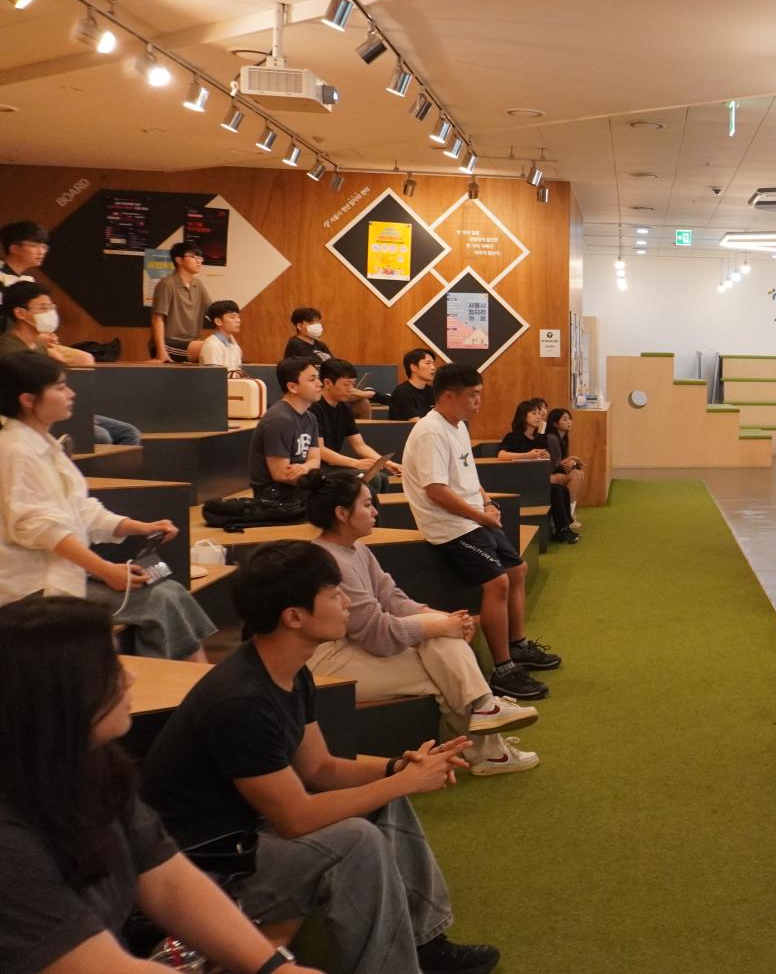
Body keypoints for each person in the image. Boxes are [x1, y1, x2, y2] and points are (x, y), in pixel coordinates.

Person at [140, 541, 502, 974]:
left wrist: (397, 768)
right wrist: (401, 781)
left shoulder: (291, 672)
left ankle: (426, 943)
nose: (346, 603)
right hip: (207, 870)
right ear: (294, 616)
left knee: (383, 797)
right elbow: (296, 818)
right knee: (357, 839)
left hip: (247, 835)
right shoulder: (241, 700)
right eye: (333, 594)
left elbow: (320, 769)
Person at [0, 595, 327, 974]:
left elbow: (167, 879)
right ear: (57, 692)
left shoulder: (92, 769)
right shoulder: (9, 840)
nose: (129, 677)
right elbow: (101, 967)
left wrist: (272, 967)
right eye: (109, 666)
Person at [307, 472, 543, 770]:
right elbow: (377, 634)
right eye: (367, 505)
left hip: (359, 646)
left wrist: (441, 617)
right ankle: (487, 744)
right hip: (332, 661)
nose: (375, 511)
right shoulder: (331, 561)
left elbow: (392, 598)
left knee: (447, 652)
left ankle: (486, 715)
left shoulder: (356, 549)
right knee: (450, 674)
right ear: (341, 514)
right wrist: (440, 625)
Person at [0, 351, 214, 661]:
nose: (71, 393)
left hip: (61, 574)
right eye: (60, 387)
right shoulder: (16, 451)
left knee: (169, 591)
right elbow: (44, 530)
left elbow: (82, 510)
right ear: (28, 399)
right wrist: (106, 570)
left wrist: (138, 527)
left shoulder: (43, 444)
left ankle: (192, 680)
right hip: (32, 590)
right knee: (159, 600)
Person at [403, 363, 559, 701]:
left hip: (473, 517)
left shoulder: (458, 425)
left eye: (479, 395)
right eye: (473, 395)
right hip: (447, 525)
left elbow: (468, 475)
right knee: (498, 582)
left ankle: (517, 645)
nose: (479, 402)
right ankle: (502, 670)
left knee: (517, 569)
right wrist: (481, 516)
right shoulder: (430, 431)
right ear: (448, 396)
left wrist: (487, 503)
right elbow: (436, 490)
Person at [0, 227, 140, 446]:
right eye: (34, 245)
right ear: (14, 247)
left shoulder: (28, 280)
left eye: (44, 246)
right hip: (27, 399)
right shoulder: (10, 347)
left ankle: (83, 414)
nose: (41, 251)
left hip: (36, 342)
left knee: (128, 431)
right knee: (102, 436)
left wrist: (42, 339)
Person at [314, 358, 404, 491]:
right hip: (316, 467)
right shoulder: (314, 408)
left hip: (333, 466)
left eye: (353, 384)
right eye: (346, 384)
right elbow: (320, 450)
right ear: (327, 383)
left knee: (383, 478)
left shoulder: (344, 409)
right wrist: (356, 463)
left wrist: (387, 464)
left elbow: (360, 446)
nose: (351, 389)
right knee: (373, 479)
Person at [249, 357, 325, 502]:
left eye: (318, 378)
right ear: (293, 387)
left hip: (299, 485)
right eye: (312, 379)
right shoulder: (280, 420)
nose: (320, 384)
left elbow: (315, 459)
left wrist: (305, 468)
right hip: (275, 494)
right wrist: (315, 481)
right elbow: (281, 474)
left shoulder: (310, 418)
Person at [500, 400, 576, 542]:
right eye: (534, 413)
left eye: (539, 413)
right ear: (523, 416)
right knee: (555, 491)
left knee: (561, 489)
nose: (538, 416)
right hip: (518, 481)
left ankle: (564, 527)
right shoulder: (513, 437)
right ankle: (562, 530)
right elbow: (502, 455)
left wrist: (545, 456)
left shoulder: (539, 438)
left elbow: (544, 460)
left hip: (535, 479)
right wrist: (528, 455)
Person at [149, 242, 210, 364]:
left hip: (192, 343)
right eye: (193, 257)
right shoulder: (167, 284)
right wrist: (161, 352)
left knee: (224, 347)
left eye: (200, 257)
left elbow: (212, 312)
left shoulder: (198, 284)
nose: (199, 261)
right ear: (179, 260)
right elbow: (157, 320)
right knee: (210, 348)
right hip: (168, 344)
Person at [544, 406, 587, 533]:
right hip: (546, 475)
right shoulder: (551, 438)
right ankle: (568, 518)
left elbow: (562, 463)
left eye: (569, 419)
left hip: (555, 473)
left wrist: (573, 462)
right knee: (575, 475)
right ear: (555, 423)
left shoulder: (562, 438)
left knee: (578, 473)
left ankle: (569, 515)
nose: (569, 422)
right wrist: (572, 459)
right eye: (565, 419)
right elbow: (554, 465)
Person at [388, 349, 438, 422]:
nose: (433, 367)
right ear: (414, 367)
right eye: (428, 363)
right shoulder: (402, 392)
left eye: (433, 364)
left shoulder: (432, 391)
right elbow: (415, 422)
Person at [199, 299, 246, 376]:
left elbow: (238, 373)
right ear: (218, 321)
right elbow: (215, 377)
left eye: (238, 317)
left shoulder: (235, 345)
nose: (238, 320)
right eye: (232, 317)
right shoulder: (212, 345)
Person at [0, 219, 50, 289]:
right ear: (14, 249)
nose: (42, 252)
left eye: (43, 247)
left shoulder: (28, 281)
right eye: (33, 246)